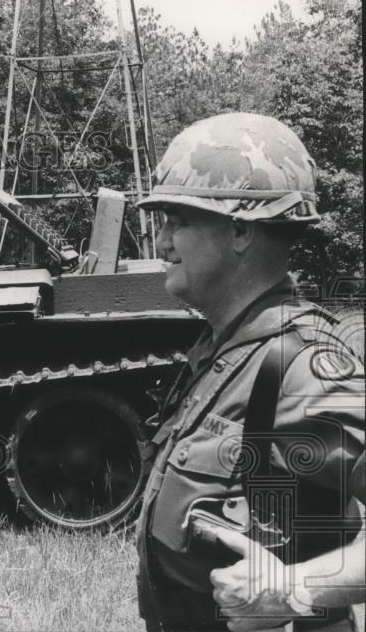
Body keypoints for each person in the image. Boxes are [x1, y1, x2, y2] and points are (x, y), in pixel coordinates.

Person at [134, 112, 365, 632]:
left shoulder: (306, 367)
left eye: (178, 221)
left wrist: (297, 591)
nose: (162, 243)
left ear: (240, 230)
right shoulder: (224, 350)